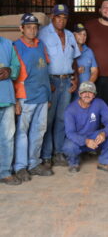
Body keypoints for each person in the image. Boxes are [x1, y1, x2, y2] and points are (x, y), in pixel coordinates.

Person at [39, 4, 80, 168]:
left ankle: (58, 153)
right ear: (52, 17)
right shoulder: (43, 34)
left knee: (62, 119)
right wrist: (47, 82)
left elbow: (74, 59)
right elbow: (39, 60)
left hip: (66, 81)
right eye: (58, 17)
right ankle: (46, 155)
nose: (61, 21)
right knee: (48, 120)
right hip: (51, 81)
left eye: (64, 18)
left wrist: (75, 78)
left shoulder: (70, 35)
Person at [13, 14, 53, 182]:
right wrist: (15, 100)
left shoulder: (40, 45)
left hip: (42, 95)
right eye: (28, 27)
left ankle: (34, 163)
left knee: (39, 130)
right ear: (21, 28)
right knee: (22, 133)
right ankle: (20, 166)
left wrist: (49, 95)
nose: (32, 30)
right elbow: (12, 75)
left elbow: (46, 71)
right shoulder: (15, 47)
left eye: (35, 27)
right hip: (25, 97)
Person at [62, 81, 108, 173]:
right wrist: (85, 141)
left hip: (94, 138)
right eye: (84, 92)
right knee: (68, 146)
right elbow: (70, 133)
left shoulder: (99, 103)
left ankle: (105, 162)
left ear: (94, 95)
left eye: (90, 92)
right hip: (78, 139)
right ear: (79, 94)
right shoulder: (70, 109)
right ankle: (73, 163)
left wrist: (104, 133)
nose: (87, 94)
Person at [0, 36, 20, 185]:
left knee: (7, 138)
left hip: (6, 97)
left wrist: (10, 70)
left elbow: (16, 66)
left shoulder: (7, 44)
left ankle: (5, 172)